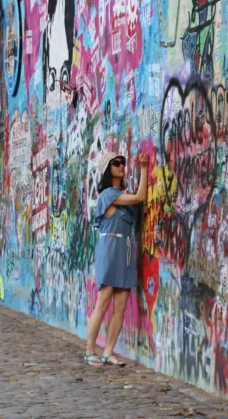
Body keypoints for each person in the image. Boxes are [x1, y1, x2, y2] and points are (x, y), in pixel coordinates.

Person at [84, 150, 149, 368]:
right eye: (116, 163)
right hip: (110, 247)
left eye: (122, 162)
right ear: (107, 169)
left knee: (120, 306)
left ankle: (108, 352)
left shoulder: (122, 195)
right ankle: (89, 351)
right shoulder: (108, 195)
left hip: (126, 249)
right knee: (103, 302)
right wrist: (144, 168)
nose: (121, 166)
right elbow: (140, 197)